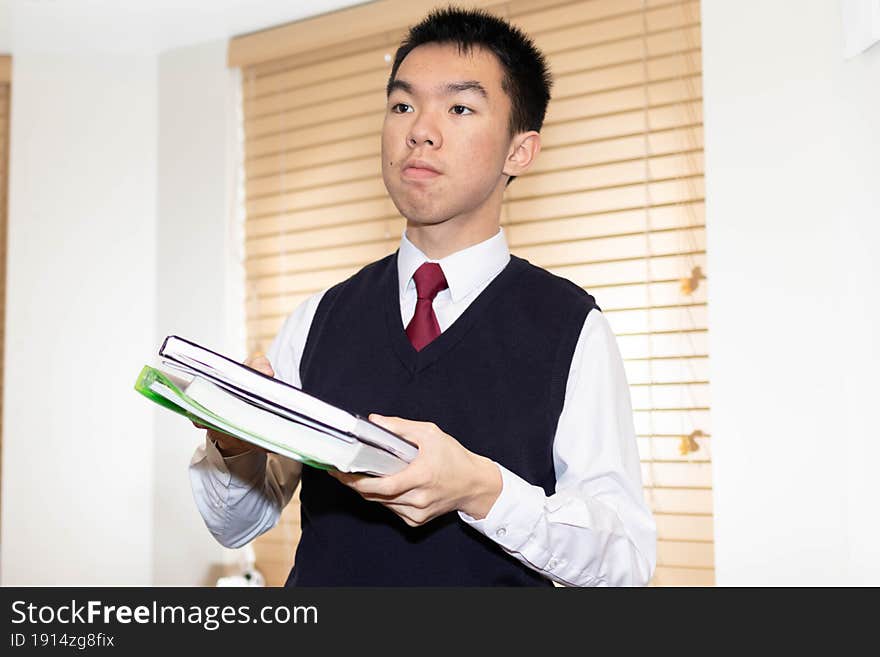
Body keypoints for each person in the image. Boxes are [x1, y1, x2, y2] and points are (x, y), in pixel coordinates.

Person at [189, 6, 656, 587]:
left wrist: (481, 490)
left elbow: (625, 562)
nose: (419, 130)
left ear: (520, 151)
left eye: (459, 108)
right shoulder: (317, 318)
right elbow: (234, 525)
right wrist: (235, 444)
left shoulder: (571, 326)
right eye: (402, 105)